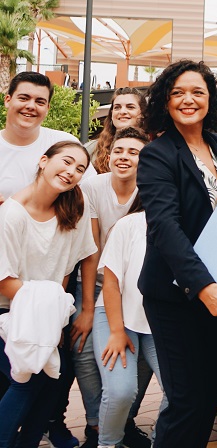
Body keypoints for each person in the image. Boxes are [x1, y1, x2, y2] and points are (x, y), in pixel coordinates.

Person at [137, 60, 217, 448]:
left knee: (206, 399)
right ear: (165, 101)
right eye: (178, 92)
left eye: (198, 92)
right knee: (184, 401)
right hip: (177, 295)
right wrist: (203, 287)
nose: (188, 99)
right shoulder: (156, 154)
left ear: (210, 99)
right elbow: (165, 228)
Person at [0, 141, 97, 447]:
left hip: (48, 313)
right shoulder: (12, 214)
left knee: (57, 378)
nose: (71, 172)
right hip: (8, 311)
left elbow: (65, 268)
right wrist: (49, 308)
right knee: (28, 379)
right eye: (66, 162)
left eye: (80, 168)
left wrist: (56, 317)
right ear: (43, 161)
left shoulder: (72, 209)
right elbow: (4, 282)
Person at [71, 127, 148, 447]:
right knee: (84, 349)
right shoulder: (91, 187)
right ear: (108, 155)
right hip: (93, 278)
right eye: (119, 150)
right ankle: (95, 425)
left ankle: (123, 419)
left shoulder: (150, 189)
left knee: (138, 356)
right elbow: (90, 253)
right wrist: (88, 308)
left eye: (134, 152)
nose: (124, 157)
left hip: (133, 283)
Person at [91, 196, 168, 448]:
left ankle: (163, 441)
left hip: (157, 323)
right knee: (121, 390)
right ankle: (108, 443)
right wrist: (115, 331)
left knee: (180, 390)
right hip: (116, 316)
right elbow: (111, 283)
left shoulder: (182, 227)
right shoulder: (129, 224)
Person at [1, 72, 87, 204]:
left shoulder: (65, 144)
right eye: (23, 98)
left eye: (39, 102)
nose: (30, 106)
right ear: (7, 100)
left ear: (47, 108)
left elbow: (89, 191)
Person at [86, 87, 146, 174]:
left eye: (130, 107)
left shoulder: (153, 148)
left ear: (142, 114)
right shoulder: (92, 148)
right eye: (117, 107)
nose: (122, 111)